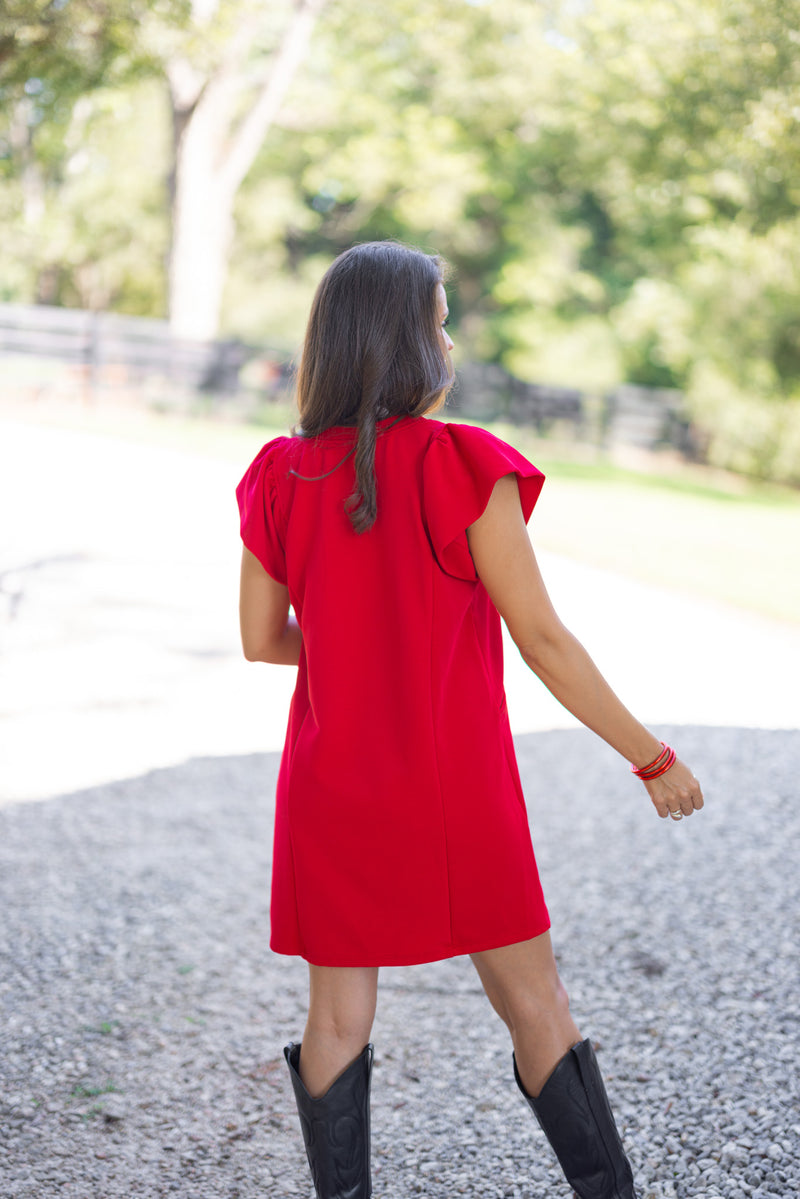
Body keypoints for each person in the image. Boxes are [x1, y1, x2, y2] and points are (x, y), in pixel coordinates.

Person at [236, 241, 704, 1199]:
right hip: (455, 792)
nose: (449, 340)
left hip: (332, 787)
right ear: (409, 342)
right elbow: (542, 639)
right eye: (440, 322)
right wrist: (649, 755)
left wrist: (359, 656)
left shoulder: (281, 475)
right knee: (537, 1003)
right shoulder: (459, 463)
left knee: (335, 1020)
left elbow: (261, 639)